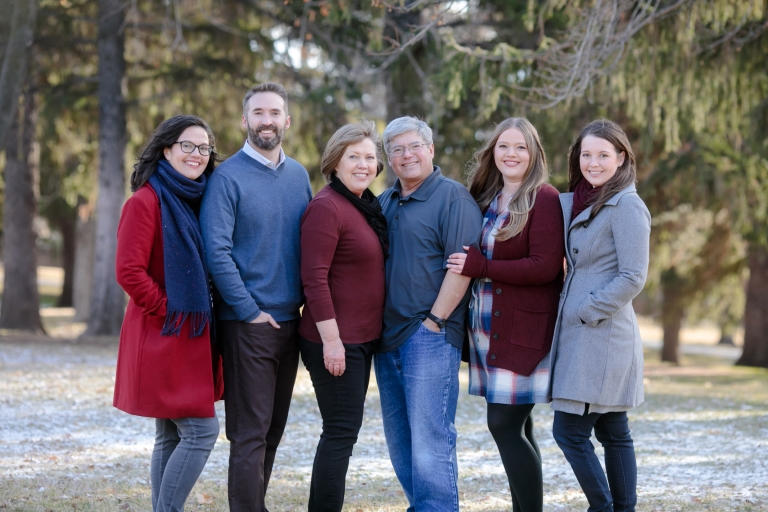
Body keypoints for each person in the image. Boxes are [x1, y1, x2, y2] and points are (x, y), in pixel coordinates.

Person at [200, 82, 312, 512]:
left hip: (291, 322)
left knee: (273, 431)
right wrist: (248, 311)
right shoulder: (227, 176)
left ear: (287, 120)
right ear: (244, 121)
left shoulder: (299, 175)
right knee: (248, 433)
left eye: (275, 112)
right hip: (248, 324)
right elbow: (217, 251)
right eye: (258, 113)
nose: (267, 120)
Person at [446, 118, 564, 512]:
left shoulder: (543, 199)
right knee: (519, 426)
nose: (512, 154)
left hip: (523, 332)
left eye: (521, 148)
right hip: (485, 330)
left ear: (534, 155)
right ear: (492, 153)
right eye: (504, 147)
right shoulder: (486, 198)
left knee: (503, 424)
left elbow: (545, 266)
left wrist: (482, 266)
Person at [113, 115, 224, 512]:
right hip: (162, 333)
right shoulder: (146, 200)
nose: (197, 155)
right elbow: (128, 270)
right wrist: (169, 308)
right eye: (187, 146)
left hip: (192, 336)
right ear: (166, 149)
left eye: (204, 148)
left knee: (171, 434)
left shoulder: (201, 199)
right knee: (200, 429)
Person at [376, 116, 483, 511]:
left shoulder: (452, 198)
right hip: (386, 341)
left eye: (414, 146)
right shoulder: (384, 202)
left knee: (430, 441)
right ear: (388, 158)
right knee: (401, 446)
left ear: (431, 149)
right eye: (397, 150)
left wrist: (433, 322)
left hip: (430, 337)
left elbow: (463, 267)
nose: (407, 155)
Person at [549, 119, 651, 512]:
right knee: (613, 430)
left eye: (603, 155)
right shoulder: (580, 199)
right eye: (586, 154)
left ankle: (602, 507)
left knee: (570, 431)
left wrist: (586, 310)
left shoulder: (626, 205)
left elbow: (633, 276)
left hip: (601, 334)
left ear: (621, 158)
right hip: (587, 333)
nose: (593, 162)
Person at [298, 120, 388, 511]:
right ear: (335, 162)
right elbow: (314, 279)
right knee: (339, 433)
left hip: (361, 338)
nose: (364, 164)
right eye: (354, 157)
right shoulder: (326, 207)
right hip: (334, 341)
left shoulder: (364, 204)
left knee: (342, 432)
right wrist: (332, 341)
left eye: (370, 157)